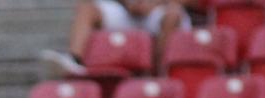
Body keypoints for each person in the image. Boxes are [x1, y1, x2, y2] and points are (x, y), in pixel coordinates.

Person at [41, 0, 192, 76]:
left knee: (172, 17)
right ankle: (74, 59)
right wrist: (129, 3)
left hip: (161, 10)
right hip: (128, 11)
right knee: (87, 7)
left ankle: (158, 75)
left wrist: (154, 3)